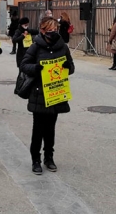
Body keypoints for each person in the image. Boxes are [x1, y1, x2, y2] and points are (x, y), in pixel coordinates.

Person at [20, 17, 75, 175]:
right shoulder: (35, 46)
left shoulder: (63, 47)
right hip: (39, 93)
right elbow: (24, 65)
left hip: (56, 93)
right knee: (38, 129)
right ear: (42, 30)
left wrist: (67, 66)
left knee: (50, 129)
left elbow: (71, 68)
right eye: (48, 29)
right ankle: (35, 160)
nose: (52, 31)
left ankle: (49, 157)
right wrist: (36, 68)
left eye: (54, 28)